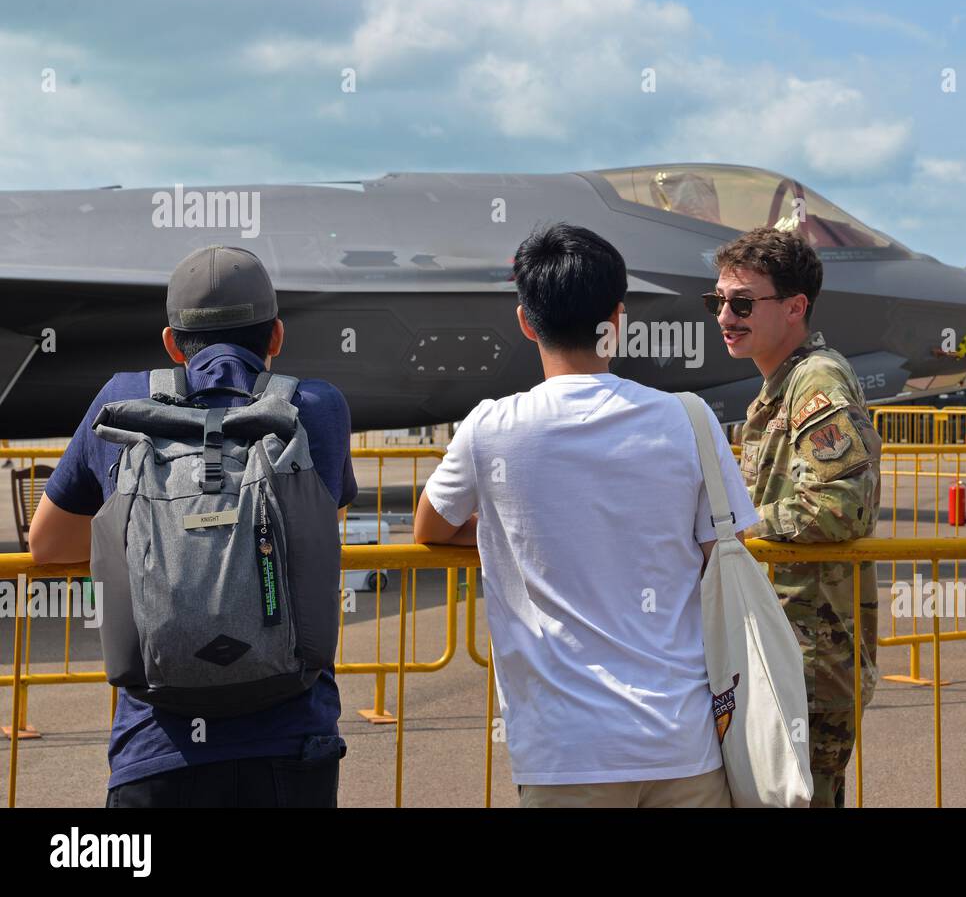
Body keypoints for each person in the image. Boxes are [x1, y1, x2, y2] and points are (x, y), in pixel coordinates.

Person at [414, 224, 757, 808]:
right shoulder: (688, 420)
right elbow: (718, 555)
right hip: (684, 739)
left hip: (563, 753)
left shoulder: (490, 427)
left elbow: (431, 527)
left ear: (526, 320)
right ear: (617, 318)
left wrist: (516, 536)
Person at [29, 244, 357, 808]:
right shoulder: (317, 406)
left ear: (170, 342)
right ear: (275, 337)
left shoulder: (121, 401)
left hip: (157, 749)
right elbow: (318, 531)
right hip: (289, 746)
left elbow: (47, 542)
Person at [708, 227, 881, 808]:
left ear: (794, 307)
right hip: (785, 641)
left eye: (742, 303)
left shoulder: (816, 380)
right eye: (719, 302)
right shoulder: (780, 385)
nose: (725, 316)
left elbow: (844, 505)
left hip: (812, 653)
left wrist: (733, 531)